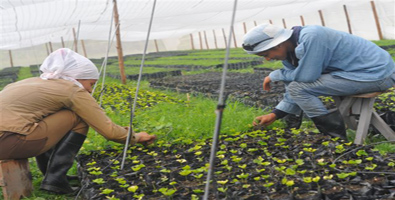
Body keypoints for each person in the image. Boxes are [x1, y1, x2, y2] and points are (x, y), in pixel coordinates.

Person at [0, 48, 157, 194]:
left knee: (49, 117)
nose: (90, 90)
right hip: (8, 142)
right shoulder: (71, 89)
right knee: (78, 117)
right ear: (75, 78)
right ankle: (55, 179)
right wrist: (135, 137)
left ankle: (51, 175)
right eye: (91, 84)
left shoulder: (27, 83)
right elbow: (109, 132)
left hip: (5, 139)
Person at [242, 24, 395, 140]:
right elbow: (295, 83)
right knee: (296, 85)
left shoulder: (312, 36)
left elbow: (306, 77)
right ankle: (332, 136)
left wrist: (276, 75)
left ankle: (335, 139)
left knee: (299, 86)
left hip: (377, 74)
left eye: (266, 54)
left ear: (278, 44)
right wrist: (275, 114)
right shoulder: (290, 53)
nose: (268, 59)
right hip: (354, 74)